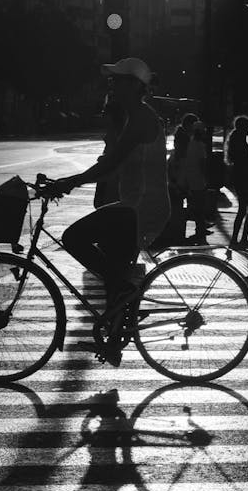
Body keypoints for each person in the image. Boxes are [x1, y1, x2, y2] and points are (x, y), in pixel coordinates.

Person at [53, 57, 171, 316]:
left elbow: (110, 164)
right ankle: (115, 327)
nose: (111, 86)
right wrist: (72, 182)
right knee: (112, 269)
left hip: (141, 209)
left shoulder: (140, 118)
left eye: (115, 81)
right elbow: (113, 167)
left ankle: (124, 289)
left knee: (73, 237)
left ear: (131, 85)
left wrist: (70, 182)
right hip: (135, 206)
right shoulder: (136, 116)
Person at [224, 114, 248, 251]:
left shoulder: (236, 139)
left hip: (239, 179)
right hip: (244, 180)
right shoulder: (241, 142)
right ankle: (242, 239)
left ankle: (235, 239)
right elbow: (245, 165)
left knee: (243, 209)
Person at [183, 120, 208, 244]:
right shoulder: (200, 145)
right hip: (199, 181)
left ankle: (200, 229)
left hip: (190, 179)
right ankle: (200, 230)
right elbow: (202, 163)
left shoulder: (190, 144)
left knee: (194, 206)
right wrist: (206, 177)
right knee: (200, 207)